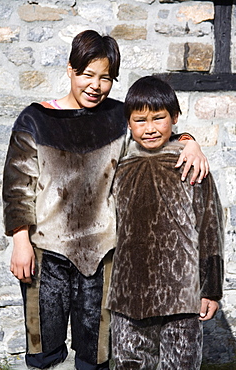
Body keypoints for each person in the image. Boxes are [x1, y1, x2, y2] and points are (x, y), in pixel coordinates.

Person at [3, 31, 209, 370]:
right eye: (87, 74)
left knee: (96, 353)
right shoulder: (34, 119)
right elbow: (17, 186)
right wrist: (20, 242)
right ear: (70, 69)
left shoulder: (118, 118)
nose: (95, 85)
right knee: (44, 352)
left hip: (103, 254)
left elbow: (153, 136)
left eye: (106, 78)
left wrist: (189, 141)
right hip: (46, 252)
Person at [106, 76, 224, 369]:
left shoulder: (190, 164)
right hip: (127, 295)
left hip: (181, 295)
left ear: (174, 117)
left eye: (159, 118)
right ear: (129, 123)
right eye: (140, 120)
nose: (149, 128)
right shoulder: (116, 165)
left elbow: (210, 227)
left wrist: (210, 289)